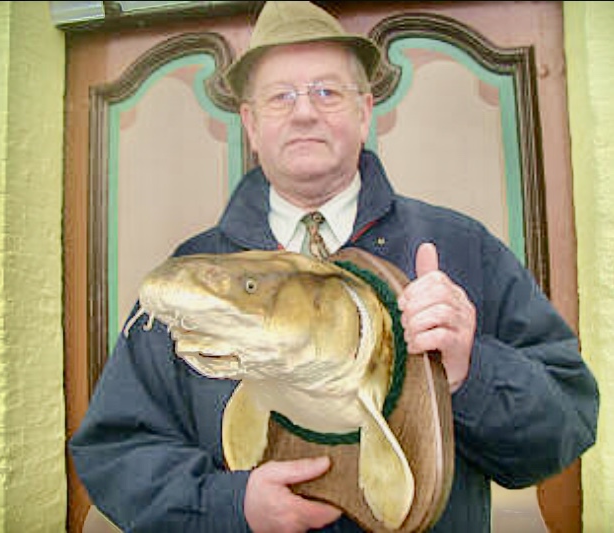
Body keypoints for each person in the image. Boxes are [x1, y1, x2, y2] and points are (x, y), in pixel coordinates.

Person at [70, 2, 599, 532]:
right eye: (280, 96)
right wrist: (230, 507)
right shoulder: (188, 282)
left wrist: (470, 371)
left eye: (327, 91)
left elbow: (566, 426)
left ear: (364, 111)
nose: (304, 113)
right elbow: (115, 451)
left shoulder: (461, 248)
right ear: (250, 124)